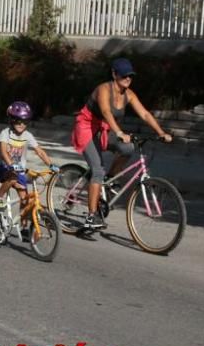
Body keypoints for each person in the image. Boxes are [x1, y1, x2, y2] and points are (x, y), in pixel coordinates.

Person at [71, 58, 173, 229]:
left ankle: (110, 179)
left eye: (130, 76)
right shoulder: (103, 89)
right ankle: (91, 216)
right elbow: (105, 111)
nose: (127, 79)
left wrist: (161, 132)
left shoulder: (129, 94)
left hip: (104, 128)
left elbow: (145, 114)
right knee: (97, 170)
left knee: (128, 148)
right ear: (114, 74)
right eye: (124, 75)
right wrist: (118, 132)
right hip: (87, 126)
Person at [0, 101, 56, 223]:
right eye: (18, 121)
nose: (22, 124)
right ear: (11, 120)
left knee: (25, 200)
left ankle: (24, 227)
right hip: (2, 166)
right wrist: (11, 164)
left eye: (25, 121)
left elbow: (40, 152)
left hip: (18, 169)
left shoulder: (28, 135)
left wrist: (51, 165)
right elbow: (3, 152)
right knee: (13, 178)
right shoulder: (6, 133)